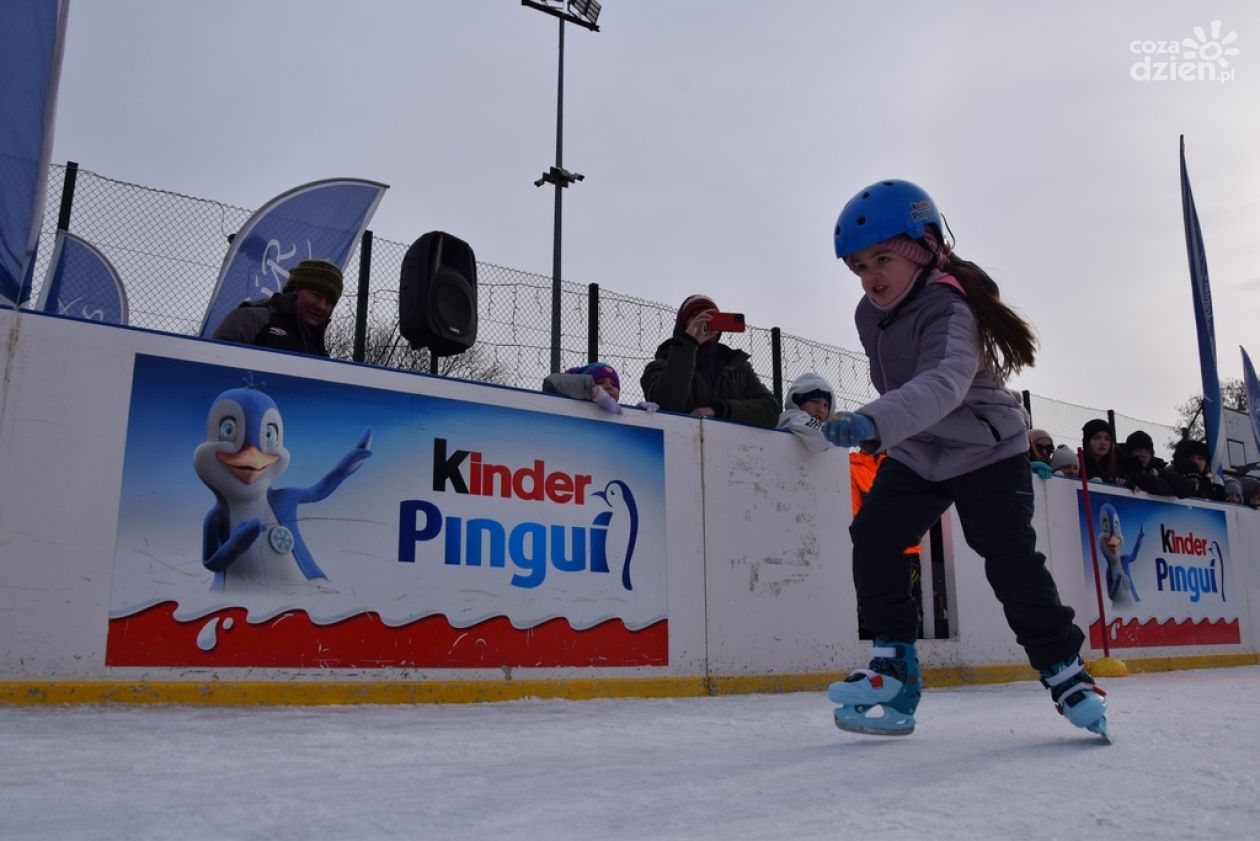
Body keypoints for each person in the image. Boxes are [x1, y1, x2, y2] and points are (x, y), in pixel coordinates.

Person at [821, 178, 1107, 738]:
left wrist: (875, 420)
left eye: (883, 258)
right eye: (858, 266)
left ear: (923, 247)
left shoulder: (952, 306)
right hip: (921, 450)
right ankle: (895, 669)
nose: (871, 277)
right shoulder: (867, 312)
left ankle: (1065, 669)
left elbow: (944, 383)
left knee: (1008, 556)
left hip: (986, 450)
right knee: (874, 535)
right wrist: (891, 430)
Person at [641, 294, 779, 429]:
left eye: (710, 316)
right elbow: (667, 406)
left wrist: (720, 410)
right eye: (696, 316)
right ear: (683, 327)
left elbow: (771, 411)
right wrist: (689, 344)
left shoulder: (738, 367)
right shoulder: (658, 366)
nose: (704, 321)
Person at [212, 258, 342, 357]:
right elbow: (213, 363)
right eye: (316, 295)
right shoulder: (251, 319)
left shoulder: (318, 346)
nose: (322, 306)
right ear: (294, 291)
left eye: (330, 302)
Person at [542, 362, 658, 415]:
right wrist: (594, 391)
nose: (608, 386)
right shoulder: (569, 407)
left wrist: (640, 416)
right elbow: (551, 382)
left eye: (613, 384)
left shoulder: (615, 414)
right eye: (599, 382)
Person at [1119, 430, 1193, 498]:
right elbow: (1152, 483)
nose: (1143, 455)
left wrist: (1156, 472)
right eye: (1138, 451)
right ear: (1129, 453)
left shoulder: (1158, 468)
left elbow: (1187, 487)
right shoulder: (1120, 469)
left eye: (1147, 452)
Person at [777, 373, 835, 452]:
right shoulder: (791, 418)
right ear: (798, 401)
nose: (821, 410)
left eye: (826, 405)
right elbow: (823, 439)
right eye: (815, 401)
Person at [1081, 419, 1123, 485]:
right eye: (1096, 438)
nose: (1103, 443)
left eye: (1107, 439)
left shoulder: (1117, 466)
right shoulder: (1077, 464)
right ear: (1087, 441)